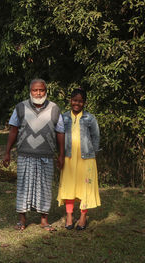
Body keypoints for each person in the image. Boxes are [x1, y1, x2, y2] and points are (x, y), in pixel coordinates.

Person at [3, 79, 65, 231]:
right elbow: (13, 131)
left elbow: (60, 132)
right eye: (35, 90)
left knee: (44, 187)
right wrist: (7, 152)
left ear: (46, 91)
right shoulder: (20, 108)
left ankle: (44, 220)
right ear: (30, 91)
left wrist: (61, 154)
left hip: (46, 155)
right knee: (24, 186)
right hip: (25, 155)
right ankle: (22, 221)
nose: (38, 93)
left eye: (41, 90)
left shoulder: (55, 109)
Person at [57, 88, 101, 230]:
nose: (77, 103)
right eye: (75, 100)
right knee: (69, 186)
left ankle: (83, 217)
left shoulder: (90, 118)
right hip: (69, 157)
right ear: (70, 101)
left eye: (80, 101)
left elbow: (96, 137)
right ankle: (69, 216)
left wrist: (91, 153)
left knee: (85, 187)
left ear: (84, 103)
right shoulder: (63, 117)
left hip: (86, 159)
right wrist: (60, 155)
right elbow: (58, 136)